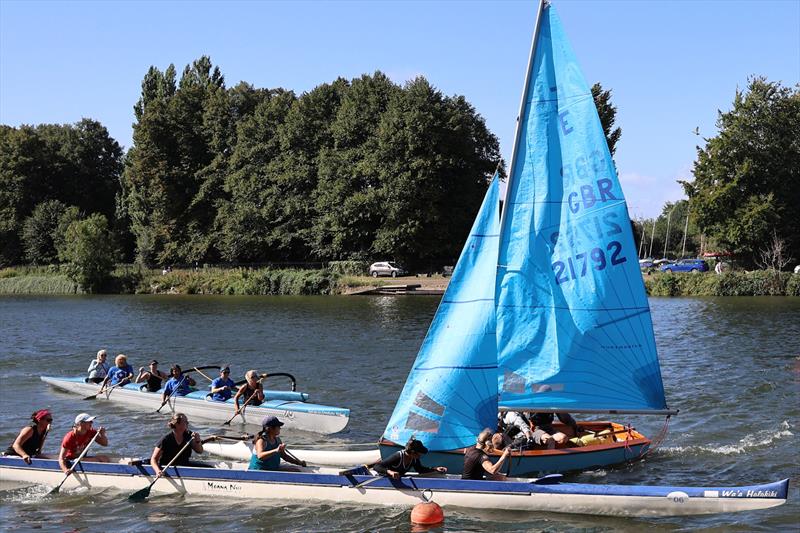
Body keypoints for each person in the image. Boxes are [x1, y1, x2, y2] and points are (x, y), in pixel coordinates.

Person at [372, 437, 447, 479]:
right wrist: (390, 472)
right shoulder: (398, 456)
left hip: (399, 480)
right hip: (383, 478)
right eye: (418, 454)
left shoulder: (414, 458)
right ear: (412, 452)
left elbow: (420, 470)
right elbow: (377, 466)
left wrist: (435, 469)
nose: (420, 456)